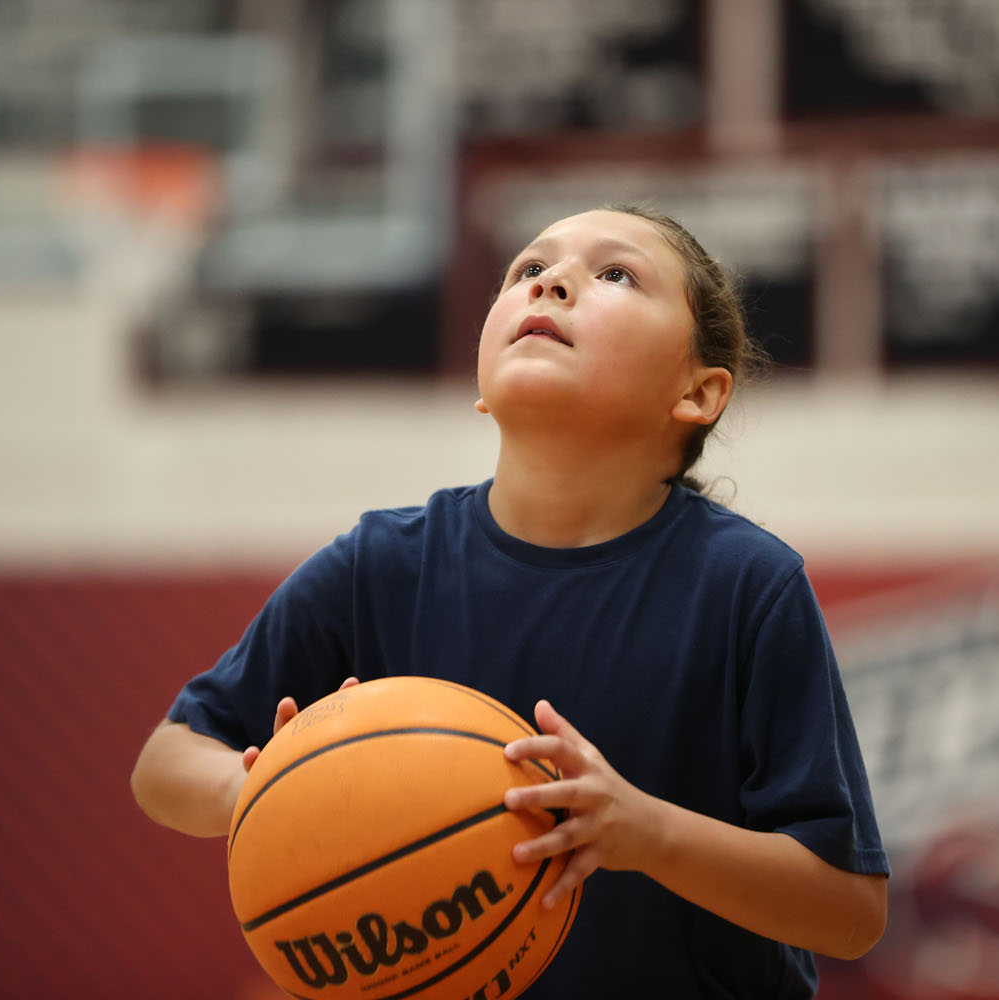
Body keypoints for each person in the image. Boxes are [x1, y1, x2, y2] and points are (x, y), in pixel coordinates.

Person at [130, 205, 889, 997]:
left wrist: (648, 833)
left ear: (697, 393)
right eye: (528, 270)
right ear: (483, 385)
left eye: (616, 274)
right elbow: (166, 761)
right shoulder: (382, 565)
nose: (553, 282)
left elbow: (851, 910)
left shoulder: (747, 587)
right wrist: (263, 789)